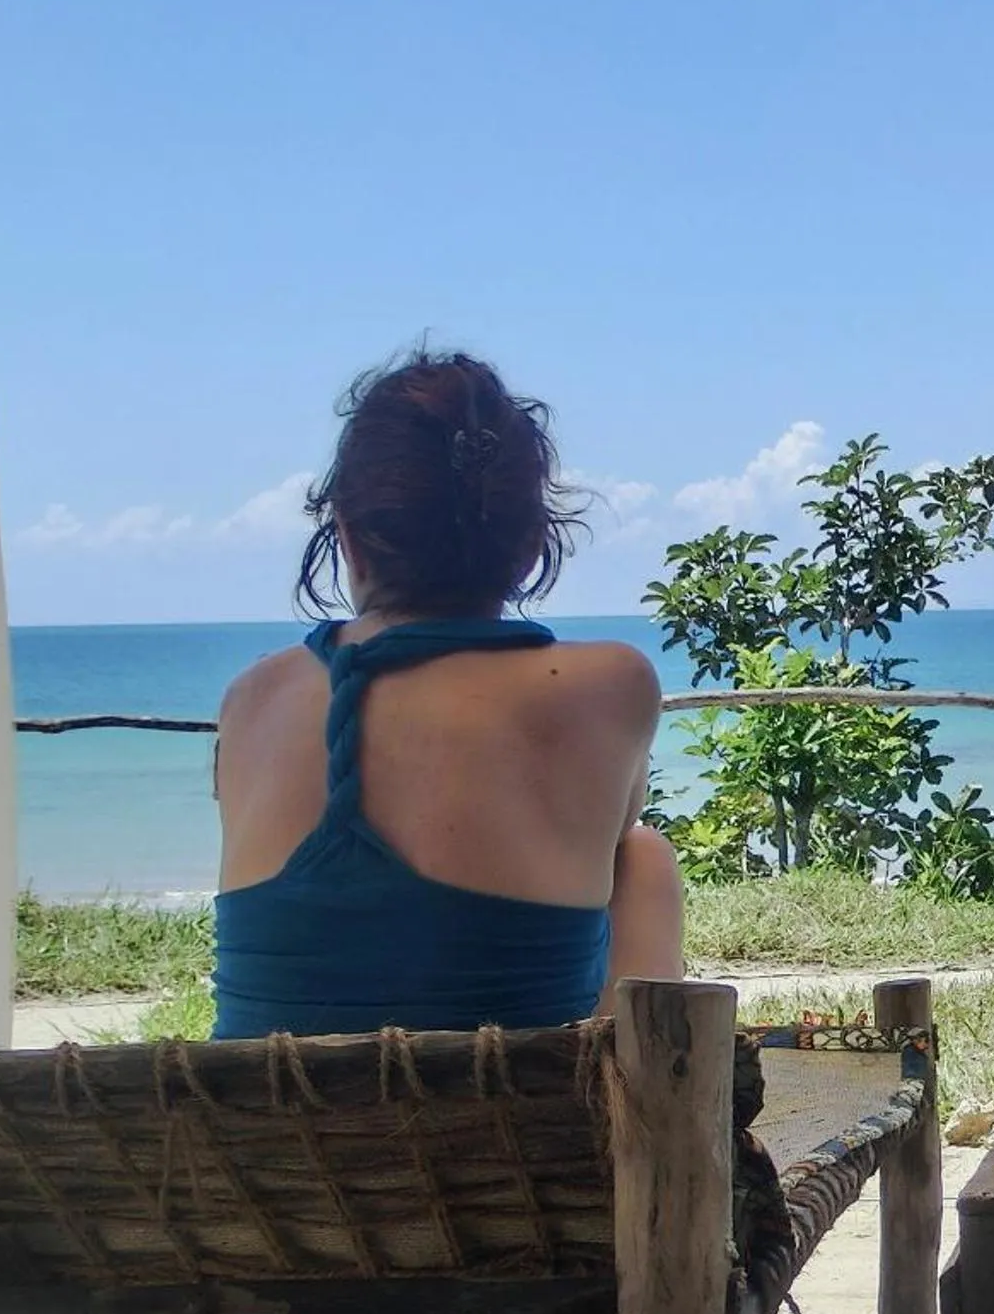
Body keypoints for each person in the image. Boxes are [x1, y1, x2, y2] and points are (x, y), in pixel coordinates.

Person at [210, 349, 682, 1038]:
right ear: (532, 544)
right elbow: (604, 839)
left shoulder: (253, 696)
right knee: (642, 857)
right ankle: (652, 1099)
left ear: (348, 537)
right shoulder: (611, 683)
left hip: (266, 1109)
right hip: (519, 1109)